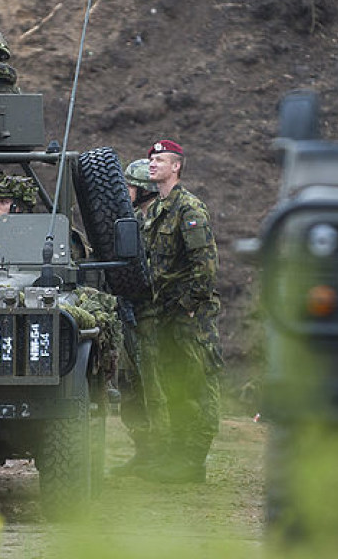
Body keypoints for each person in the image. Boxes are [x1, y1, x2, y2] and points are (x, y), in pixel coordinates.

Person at [137, 139, 223, 484]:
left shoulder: (189, 210)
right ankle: (176, 458)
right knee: (175, 386)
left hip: (189, 317)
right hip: (165, 313)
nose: (153, 164)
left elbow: (206, 267)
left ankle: (193, 461)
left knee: (197, 385)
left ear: (177, 167)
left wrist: (188, 307)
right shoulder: (157, 210)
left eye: (160, 160)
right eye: (151, 159)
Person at [111, 159, 170, 476]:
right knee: (130, 385)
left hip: (152, 314)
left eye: (130, 187)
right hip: (129, 312)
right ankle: (144, 452)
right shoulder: (130, 222)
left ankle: (163, 455)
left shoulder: (158, 221)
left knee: (155, 386)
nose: (124, 192)